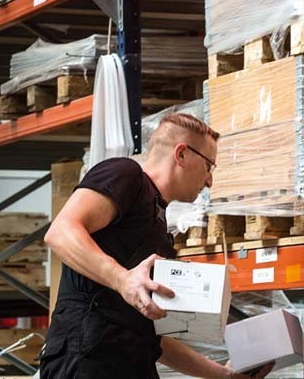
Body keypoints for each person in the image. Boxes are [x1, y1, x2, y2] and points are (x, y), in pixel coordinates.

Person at [41, 112, 273, 379]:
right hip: (86, 360)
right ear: (181, 154)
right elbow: (60, 232)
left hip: (131, 363)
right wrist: (122, 280)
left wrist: (224, 375)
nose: (210, 181)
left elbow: (152, 335)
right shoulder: (125, 174)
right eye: (209, 166)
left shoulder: (158, 227)